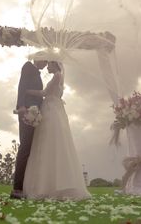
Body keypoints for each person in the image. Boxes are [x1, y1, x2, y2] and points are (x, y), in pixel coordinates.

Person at [23, 58, 91, 200]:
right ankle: (52, 183)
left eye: (49, 64)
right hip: (55, 109)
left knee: (48, 141)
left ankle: (47, 185)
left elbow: (44, 93)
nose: (47, 67)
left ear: (55, 64)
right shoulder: (59, 77)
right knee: (53, 142)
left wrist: (27, 91)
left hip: (51, 109)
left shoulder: (57, 76)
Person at [10, 58, 47, 199]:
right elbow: (22, 86)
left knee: (29, 148)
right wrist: (20, 106)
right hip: (26, 112)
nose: (45, 64)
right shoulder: (28, 66)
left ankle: (25, 187)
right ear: (39, 58)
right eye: (45, 61)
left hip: (34, 113)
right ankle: (17, 189)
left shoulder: (37, 73)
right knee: (25, 147)